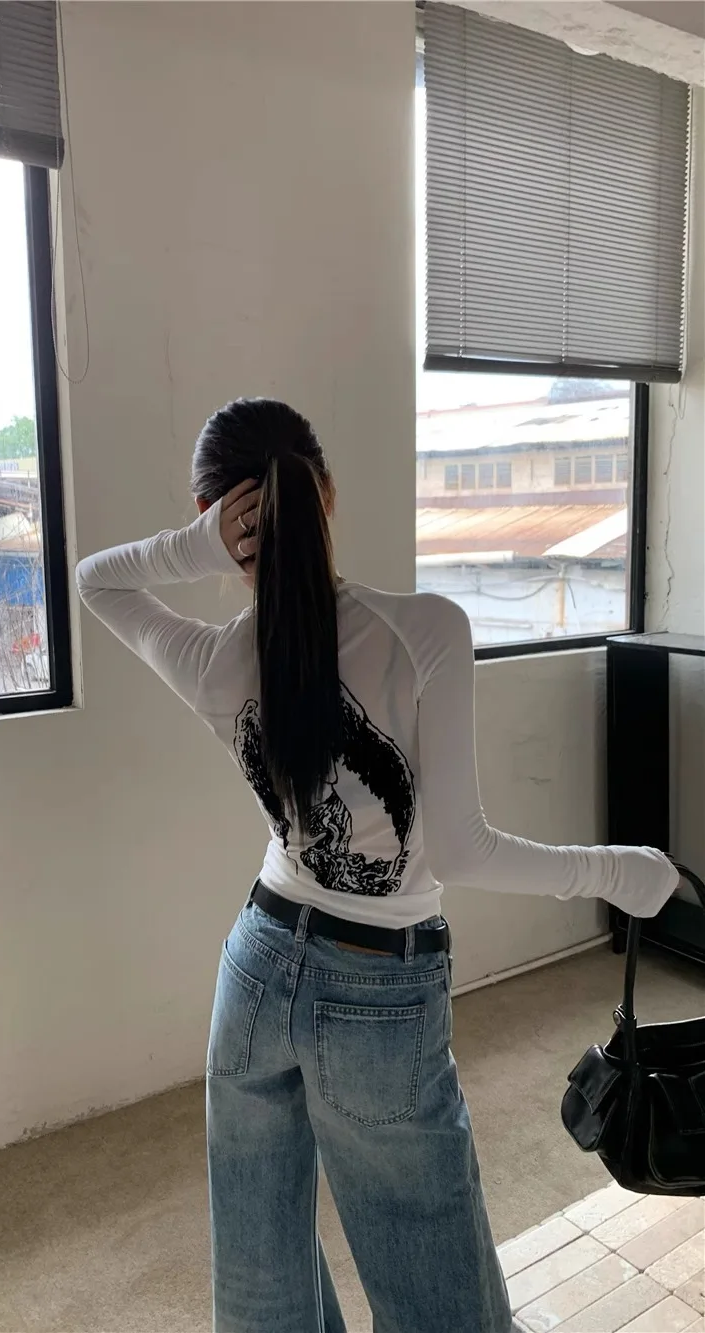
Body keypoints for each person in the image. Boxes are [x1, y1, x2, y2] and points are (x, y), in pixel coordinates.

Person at [76, 398, 678, 1333]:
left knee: (263, 1289)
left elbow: (95, 580)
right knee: (441, 1298)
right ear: (327, 494)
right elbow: (463, 850)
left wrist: (199, 548)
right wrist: (618, 870)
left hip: (256, 968)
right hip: (378, 995)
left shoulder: (212, 661)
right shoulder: (424, 630)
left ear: (210, 515)